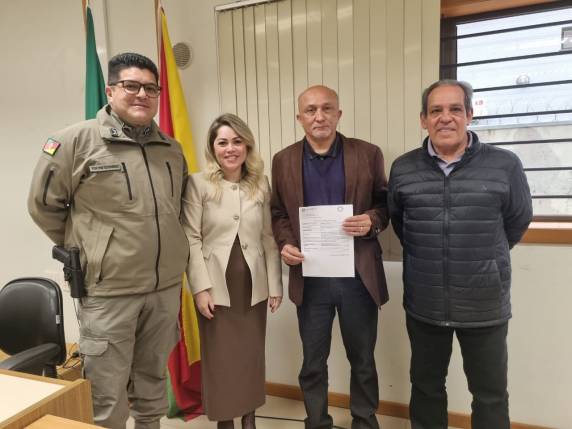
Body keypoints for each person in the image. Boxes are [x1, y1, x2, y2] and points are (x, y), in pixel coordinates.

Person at [28, 53, 189, 429]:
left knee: (152, 385)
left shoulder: (171, 148)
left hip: (163, 290)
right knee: (107, 396)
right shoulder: (73, 141)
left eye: (151, 88)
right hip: (108, 292)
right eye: (131, 86)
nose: (142, 94)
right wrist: (93, 247)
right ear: (111, 90)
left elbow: (177, 208)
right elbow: (43, 205)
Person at [388, 79, 533, 429]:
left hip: (484, 304)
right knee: (426, 388)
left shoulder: (504, 165)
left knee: (490, 395)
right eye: (436, 110)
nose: (445, 117)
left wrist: (486, 259)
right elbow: (400, 223)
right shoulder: (403, 168)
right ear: (423, 119)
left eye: (455, 109)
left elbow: (517, 220)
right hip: (425, 303)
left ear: (469, 115)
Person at [270, 85, 389, 429]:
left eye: (326, 109)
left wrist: (371, 221)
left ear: (339, 114)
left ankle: (364, 422)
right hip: (310, 278)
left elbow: (385, 204)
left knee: (362, 360)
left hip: (358, 277)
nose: (319, 116)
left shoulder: (367, 153)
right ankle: (317, 422)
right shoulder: (283, 160)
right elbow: (278, 212)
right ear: (299, 117)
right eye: (311, 110)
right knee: (312, 362)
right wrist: (285, 243)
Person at [183, 113, 283, 429]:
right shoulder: (198, 184)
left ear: (247, 146)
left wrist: (275, 285)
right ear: (213, 147)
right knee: (222, 358)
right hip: (216, 285)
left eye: (237, 141)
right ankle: (225, 421)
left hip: (253, 283)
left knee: (251, 355)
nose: (230, 149)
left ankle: (249, 418)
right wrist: (200, 288)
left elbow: (268, 237)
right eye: (222, 142)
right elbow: (191, 238)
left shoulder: (260, 184)